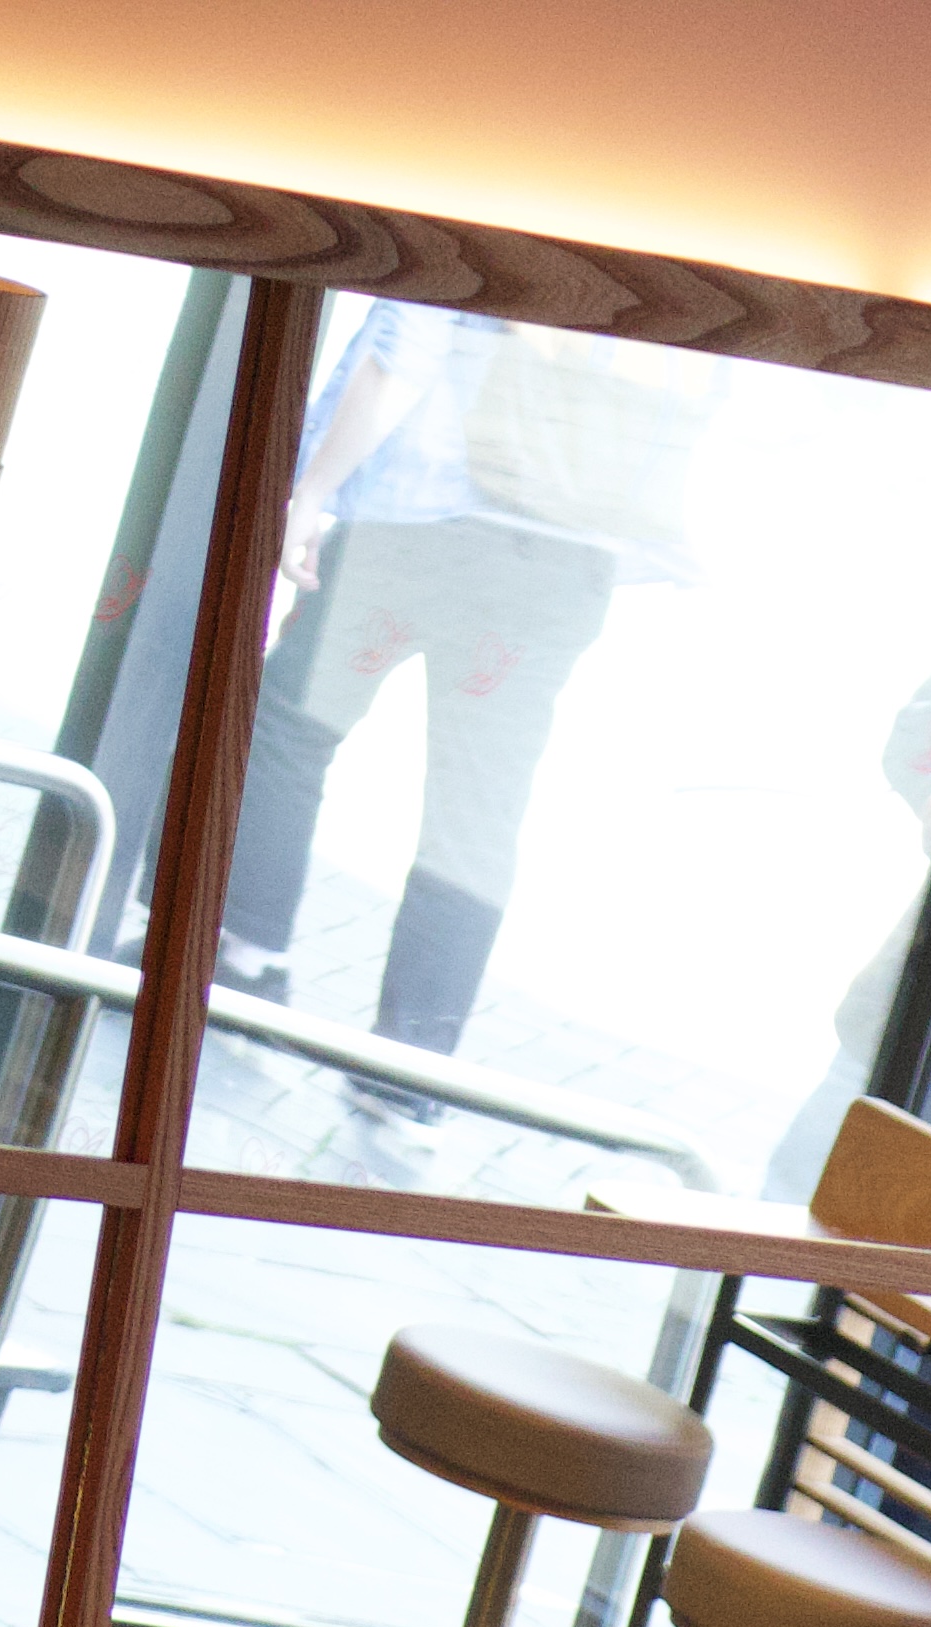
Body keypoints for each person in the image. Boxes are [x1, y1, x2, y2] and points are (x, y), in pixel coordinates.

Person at [218, 305, 710, 1092]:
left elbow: (403, 354)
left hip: (419, 527)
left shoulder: (497, 192)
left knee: (290, 727)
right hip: (563, 567)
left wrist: (312, 491)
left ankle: (243, 957)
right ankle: (408, 1071)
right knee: (476, 813)